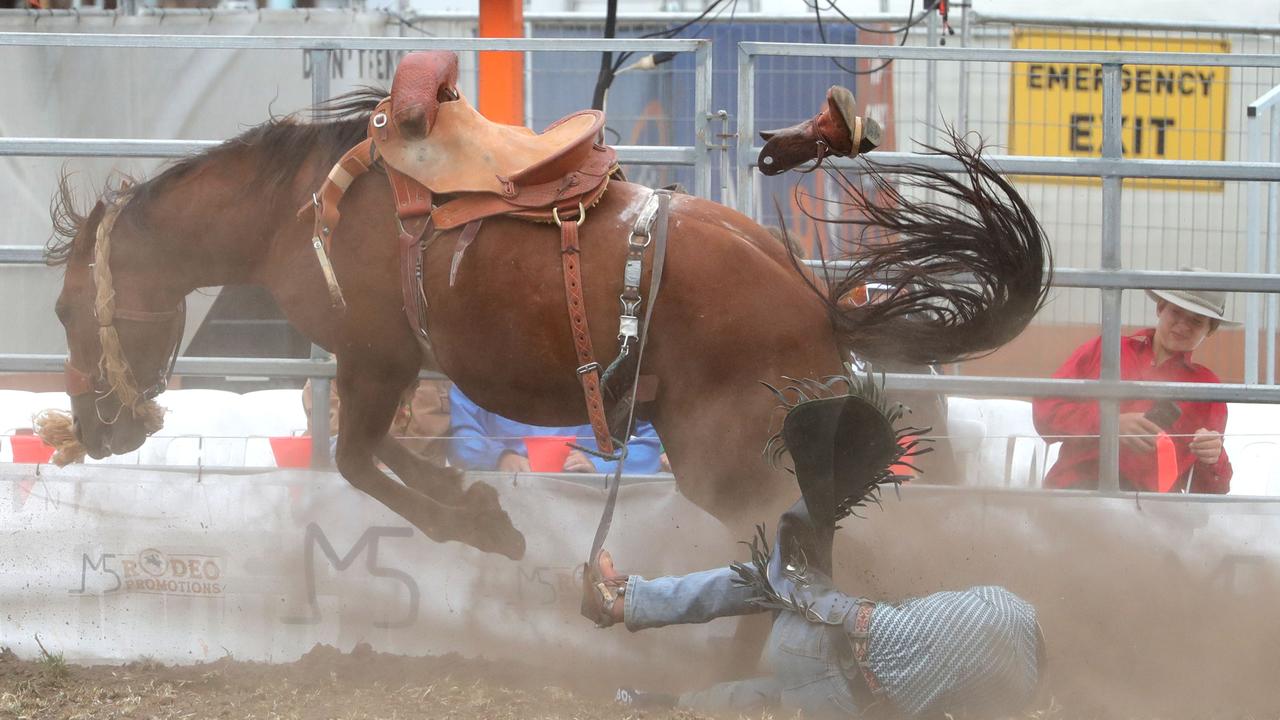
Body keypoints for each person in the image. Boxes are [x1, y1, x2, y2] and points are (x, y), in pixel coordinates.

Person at [582, 379, 1045, 718]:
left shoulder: (1003, 609)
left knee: (766, 577)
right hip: (841, 704)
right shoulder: (1003, 693)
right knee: (779, 699)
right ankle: (663, 705)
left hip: (820, 644)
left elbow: (899, 615)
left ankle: (624, 601)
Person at [1034, 272, 1235, 493]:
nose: (1183, 325)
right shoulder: (1105, 349)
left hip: (1147, 510)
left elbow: (1213, 491)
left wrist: (1214, 457)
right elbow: (1045, 414)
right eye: (1176, 312)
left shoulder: (1207, 389)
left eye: (1196, 321)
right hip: (1076, 492)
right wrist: (1110, 423)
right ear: (1160, 308)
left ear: (1210, 329)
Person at [448, 386, 665, 474]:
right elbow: (463, 439)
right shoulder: (478, 372)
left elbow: (652, 444)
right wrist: (499, 458)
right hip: (507, 502)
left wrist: (599, 465)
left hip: (593, 501)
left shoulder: (608, 372)